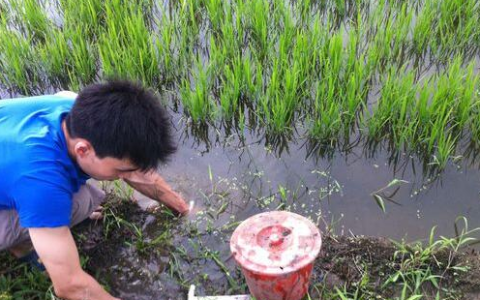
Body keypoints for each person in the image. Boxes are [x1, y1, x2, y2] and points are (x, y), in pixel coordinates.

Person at [0, 80, 190, 300]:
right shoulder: (41, 179)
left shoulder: (73, 105)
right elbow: (70, 285)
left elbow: (134, 170)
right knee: (76, 203)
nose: (125, 176)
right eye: (120, 171)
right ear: (83, 149)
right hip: (30, 178)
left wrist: (182, 208)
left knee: (78, 200)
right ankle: (23, 246)